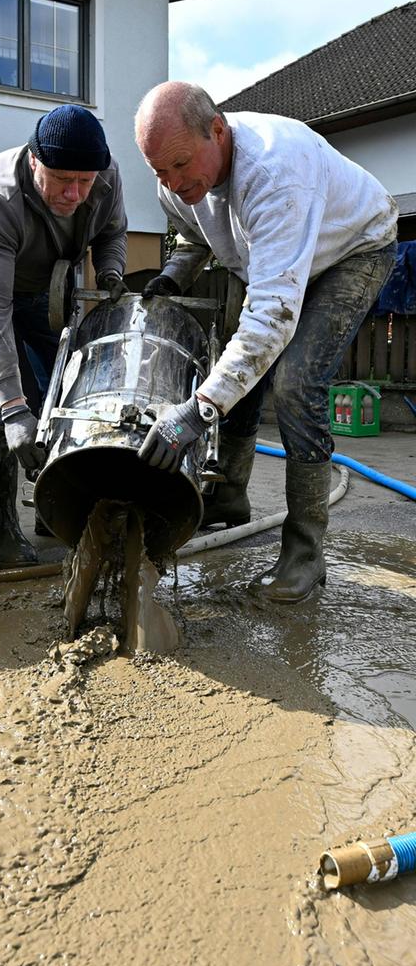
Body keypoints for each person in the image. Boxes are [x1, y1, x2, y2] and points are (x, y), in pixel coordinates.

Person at [134, 81, 397, 602]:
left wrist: (196, 411)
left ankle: (304, 556)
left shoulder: (278, 175)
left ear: (217, 130)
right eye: (159, 172)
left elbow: (273, 316)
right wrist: (174, 276)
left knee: (296, 382)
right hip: (272, 259)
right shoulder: (177, 173)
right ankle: (229, 496)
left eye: (181, 166)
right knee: (238, 374)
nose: (172, 182)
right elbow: (193, 234)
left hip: (352, 249)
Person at [0, 105, 128, 566]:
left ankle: (54, 505)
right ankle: (2, 529)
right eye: (62, 180)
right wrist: (12, 408)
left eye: (84, 183)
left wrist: (109, 272)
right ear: (33, 163)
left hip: (48, 280)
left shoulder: (103, 173)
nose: (74, 193)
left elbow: (113, 231)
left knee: (64, 384)